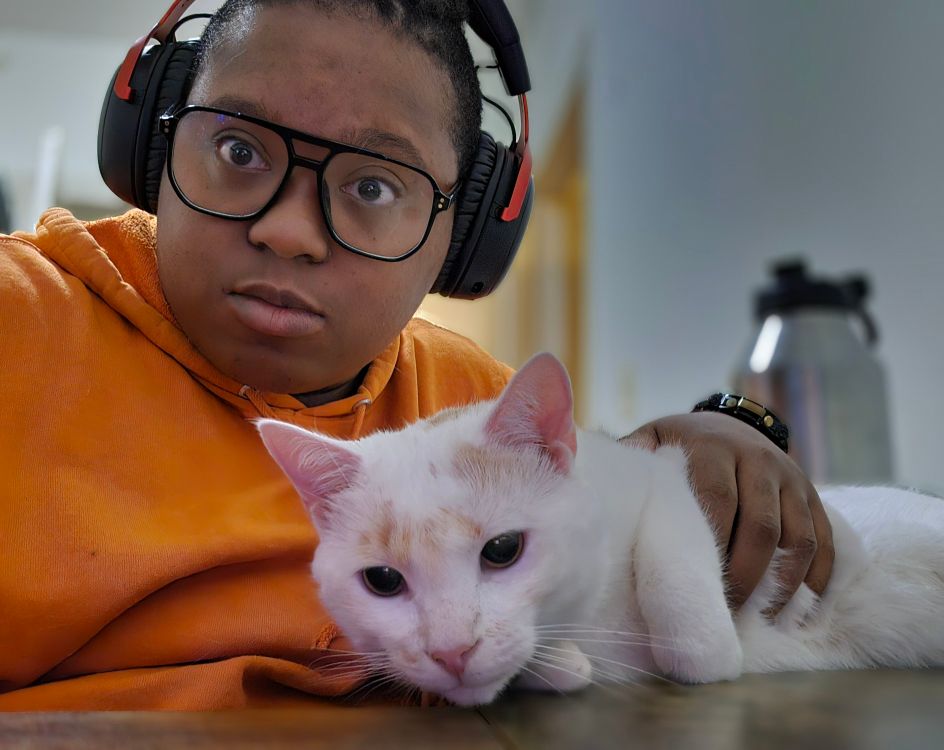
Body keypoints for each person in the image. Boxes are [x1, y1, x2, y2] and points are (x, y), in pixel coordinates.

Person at [0, 0, 832, 710]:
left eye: (373, 186)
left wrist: (728, 424)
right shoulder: (21, 321)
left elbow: (614, 500)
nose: (285, 231)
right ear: (152, 143)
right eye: (239, 150)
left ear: (462, 236)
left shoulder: (464, 398)